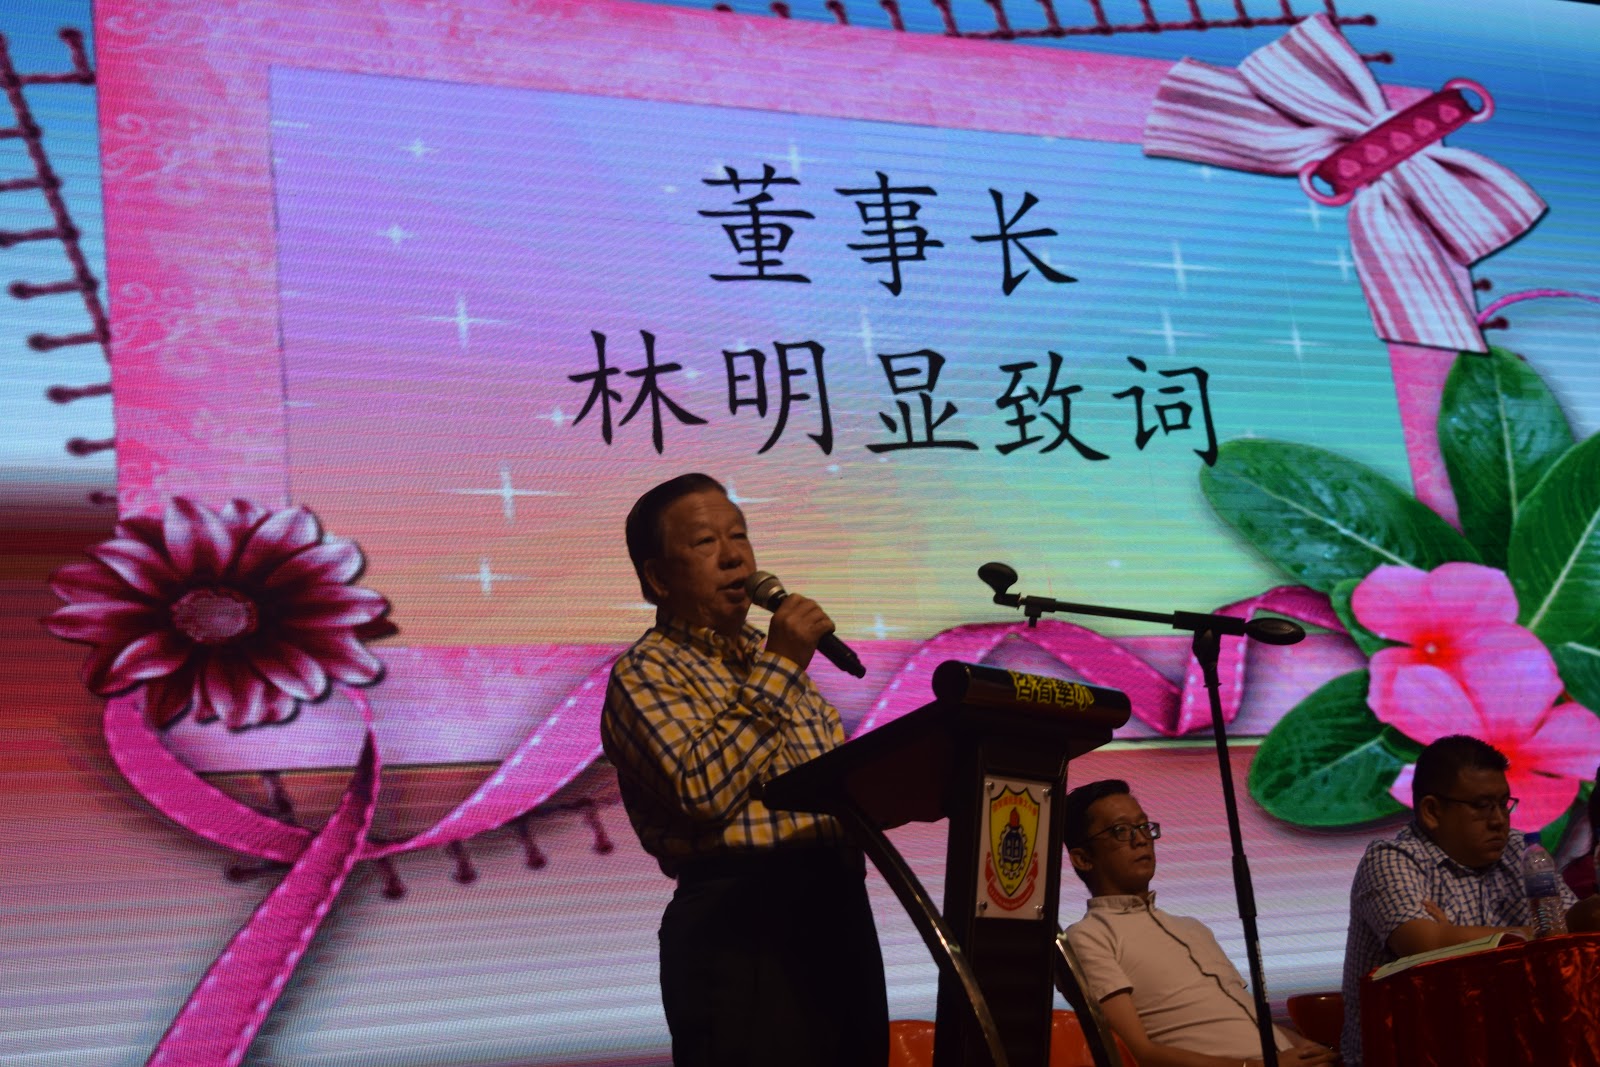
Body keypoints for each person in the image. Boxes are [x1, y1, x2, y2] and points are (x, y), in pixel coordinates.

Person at [599, 473, 888, 1067]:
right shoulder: (646, 672)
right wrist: (781, 664)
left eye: (740, 536)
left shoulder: (771, 661)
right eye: (705, 542)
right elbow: (702, 790)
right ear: (658, 578)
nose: (734, 557)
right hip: (740, 925)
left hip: (839, 910)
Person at [1340, 734, 1580, 1065]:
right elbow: (1423, 944)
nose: (1498, 820)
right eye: (1481, 806)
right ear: (1432, 811)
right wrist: (1537, 935)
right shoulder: (1392, 859)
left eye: (1503, 804)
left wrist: (1457, 939)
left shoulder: (1520, 853)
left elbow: (1573, 934)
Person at [1062, 779, 1338, 1067]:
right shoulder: (1088, 937)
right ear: (1082, 858)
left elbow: (1242, 1019)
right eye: (1120, 831)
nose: (1141, 839)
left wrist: (1304, 1047)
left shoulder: (1192, 928)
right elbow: (1139, 1053)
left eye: (1143, 826)